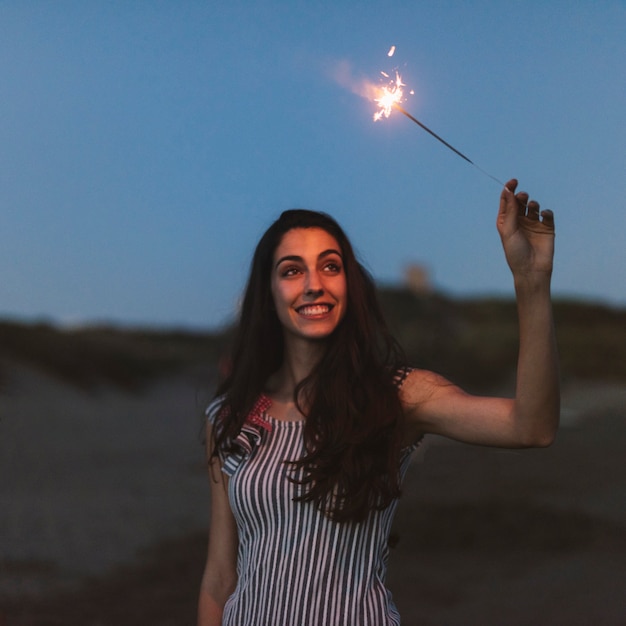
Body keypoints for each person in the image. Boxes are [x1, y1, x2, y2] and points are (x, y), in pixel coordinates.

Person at [197, 179, 559, 626]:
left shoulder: (397, 396)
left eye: (330, 266)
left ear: (349, 284)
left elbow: (532, 428)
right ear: (268, 293)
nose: (313, 284)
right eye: (292, 271)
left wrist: (531, 281)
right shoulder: (229, 416)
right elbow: (219, 576)